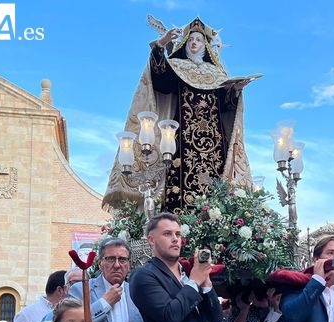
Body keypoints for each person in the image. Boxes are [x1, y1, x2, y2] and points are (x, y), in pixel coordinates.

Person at [103, 17, 255, 212]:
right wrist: (160, 45)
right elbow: (159, 78)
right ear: (184, 43)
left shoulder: (217, 74)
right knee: (178, 181)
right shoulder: (177, 67)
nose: (194, 43)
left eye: (199, 40)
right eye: (191, 39)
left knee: (216, 189)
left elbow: (226, 106)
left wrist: (235, 91)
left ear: (205, 45)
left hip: (215, 145)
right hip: (182, 140)